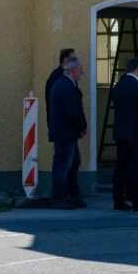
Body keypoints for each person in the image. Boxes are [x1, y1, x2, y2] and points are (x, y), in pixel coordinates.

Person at [111, 57, 138, 213]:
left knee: (121, 168)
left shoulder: (118, 86)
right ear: (137, 69)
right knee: (137, 168)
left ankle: (118, 201)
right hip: (137, 134)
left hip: (121, 132)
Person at [47, 56, 87, 208]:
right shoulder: (65, 86)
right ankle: (58, 197)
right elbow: (73, 111)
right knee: (63, 165)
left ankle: (70, 193)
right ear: (73, 70)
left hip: (66, 132)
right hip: (65, 133)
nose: (82, 72)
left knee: (73, 162)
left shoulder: (65, 84)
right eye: (80, 69)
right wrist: (82, 126)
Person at [44, 47, 77, 125]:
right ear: (65, 60)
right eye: (73, 59)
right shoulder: (57, 78)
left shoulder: (68, 77)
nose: (76, 63)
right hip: (60, 126)